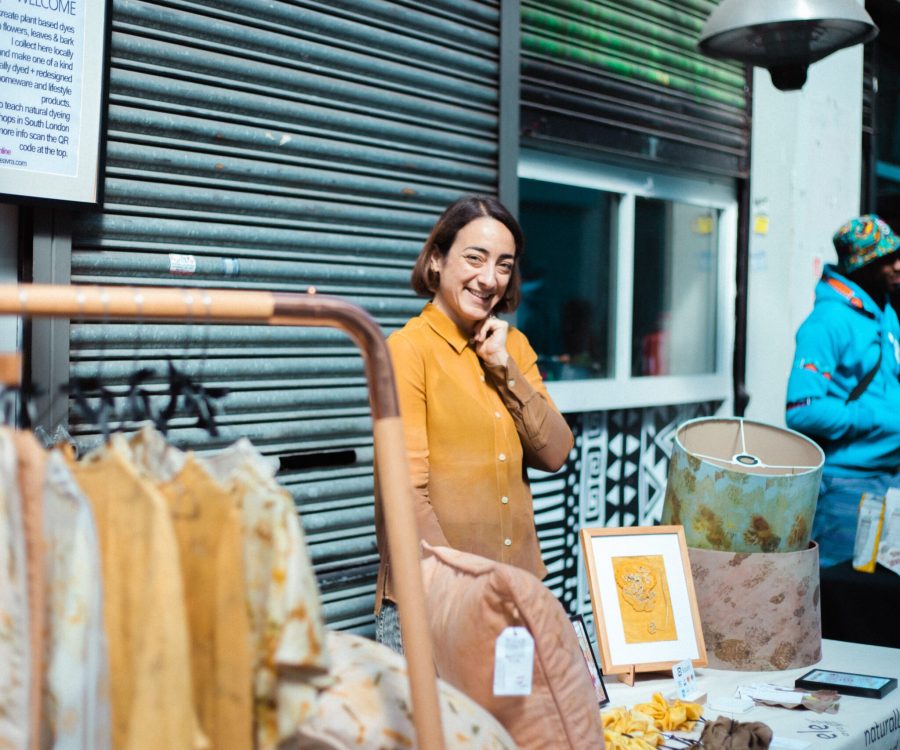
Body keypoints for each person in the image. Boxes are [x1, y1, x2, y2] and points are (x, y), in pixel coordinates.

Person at [374, 195, 574, 652]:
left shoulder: (512, 345)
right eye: (475, 258)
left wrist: (504, 367)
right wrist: (464, 591)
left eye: (504, 265)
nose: (489, 279)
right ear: (437, 260)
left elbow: (556, 452)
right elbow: (407, 494)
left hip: (516, 598)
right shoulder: (407, 350)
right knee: (437, 726)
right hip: (436, 603)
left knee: (511, 727)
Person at [785, 214, 900, 568]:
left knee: (881, 600)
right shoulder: (827, 323)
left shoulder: (884, 312)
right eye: (886, 260)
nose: (897, 265)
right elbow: (801, 410)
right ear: (861, 265)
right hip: (846, 490)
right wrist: (880, 418)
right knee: (844, 598)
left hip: (890, 479)